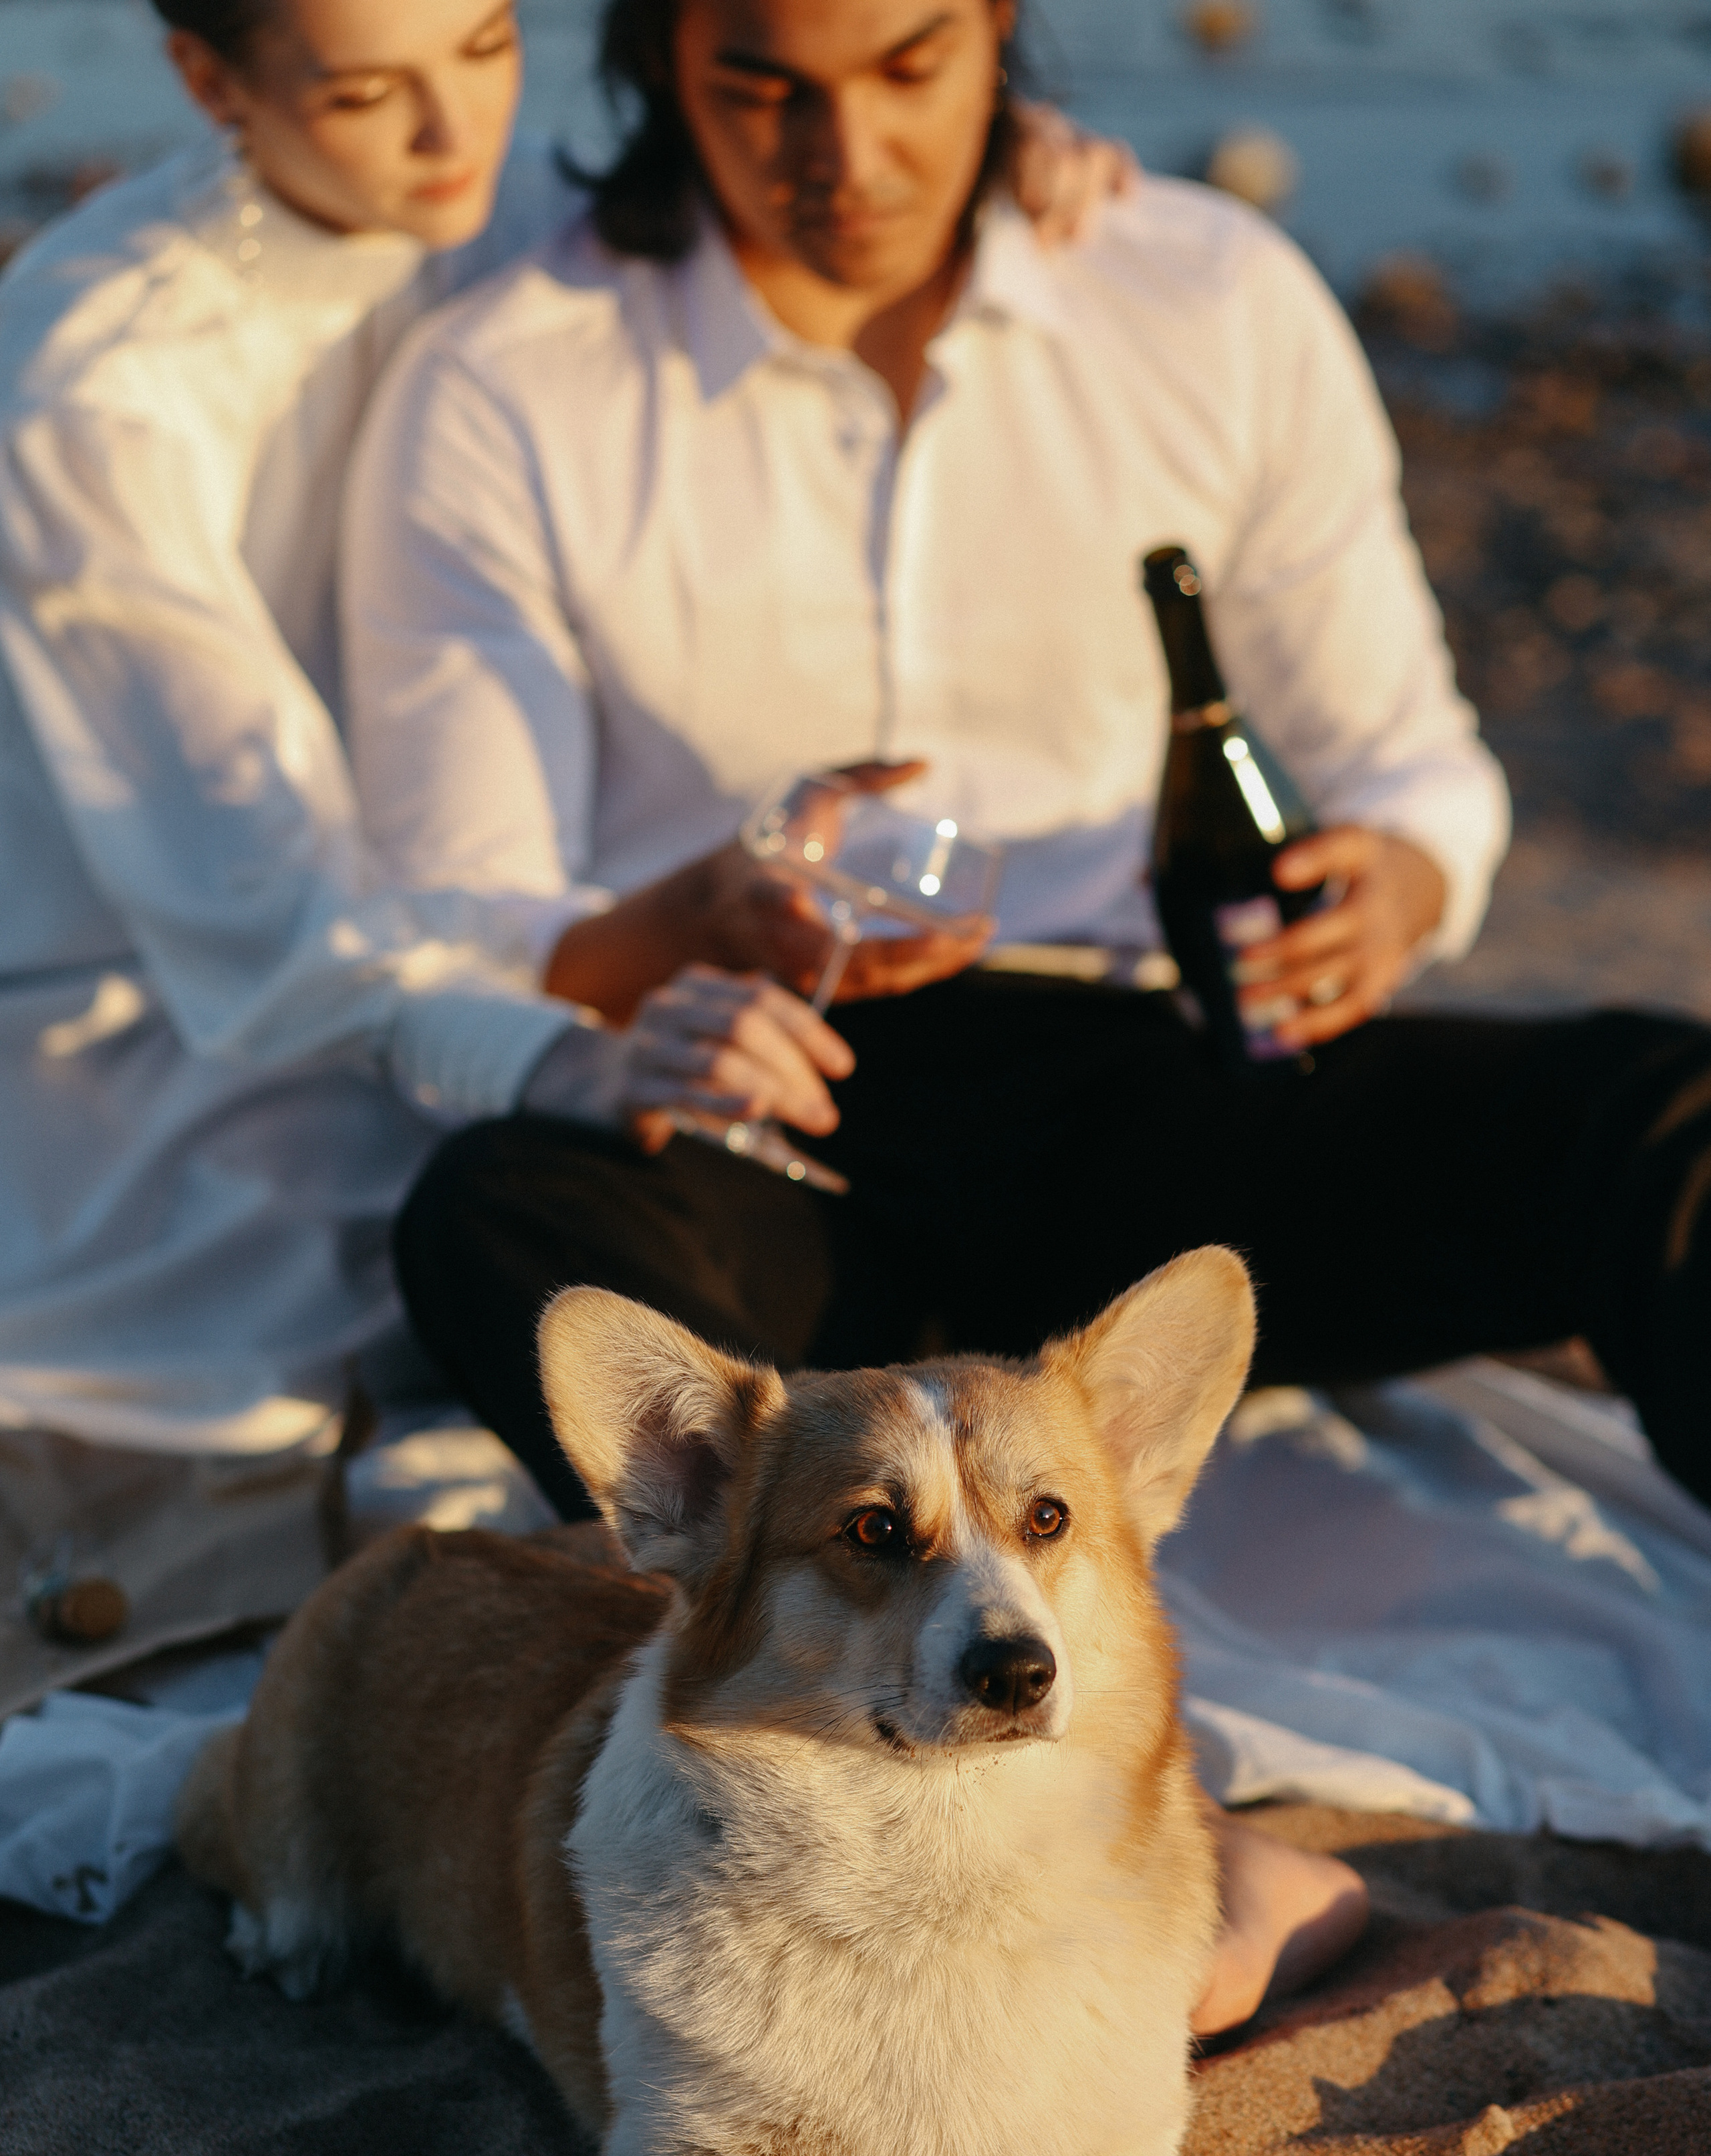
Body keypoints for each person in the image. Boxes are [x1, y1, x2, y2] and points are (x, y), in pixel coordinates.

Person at [343, 0, 1711, 2030]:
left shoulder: (1205, 293)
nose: (848, 154)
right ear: (654, 64)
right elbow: (461, 925)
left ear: (998, 30)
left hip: (1148, 1082)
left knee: (1655, 1103)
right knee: (493, 1211)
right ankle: (1189, 1845)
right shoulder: (504, 378)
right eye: (763, 90)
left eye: (908, 67)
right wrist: (678, 937)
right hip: (773, 1111)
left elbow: (1416, 767)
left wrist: (1400, 885)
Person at [0, 0, 1119, 1454]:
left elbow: (770, 170)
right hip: (192, 1034)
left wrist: (986, 155)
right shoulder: (93, 400)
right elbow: (274, 935)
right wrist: (568, 1063)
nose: (452, 131)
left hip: (460, 939)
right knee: (444, 1306)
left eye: (482, 45)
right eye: (364, 94)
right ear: (208, 78)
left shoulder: (504, 209)